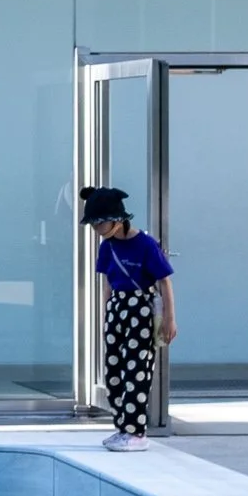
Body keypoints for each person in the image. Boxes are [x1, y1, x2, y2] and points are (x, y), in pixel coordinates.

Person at [81, 185, 176, 452]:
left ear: (118, 219)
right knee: (113, 371)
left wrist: (170, 319)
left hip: (140, 308)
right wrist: (106, 314)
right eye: (94, 224)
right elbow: (108, 284)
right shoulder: (107, 247)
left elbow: (164, 282)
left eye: (101, 222)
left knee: (137, 371)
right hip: (117, 309)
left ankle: (136, 432)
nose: (98, 228)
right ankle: (122, 426)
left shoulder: (145, 244)